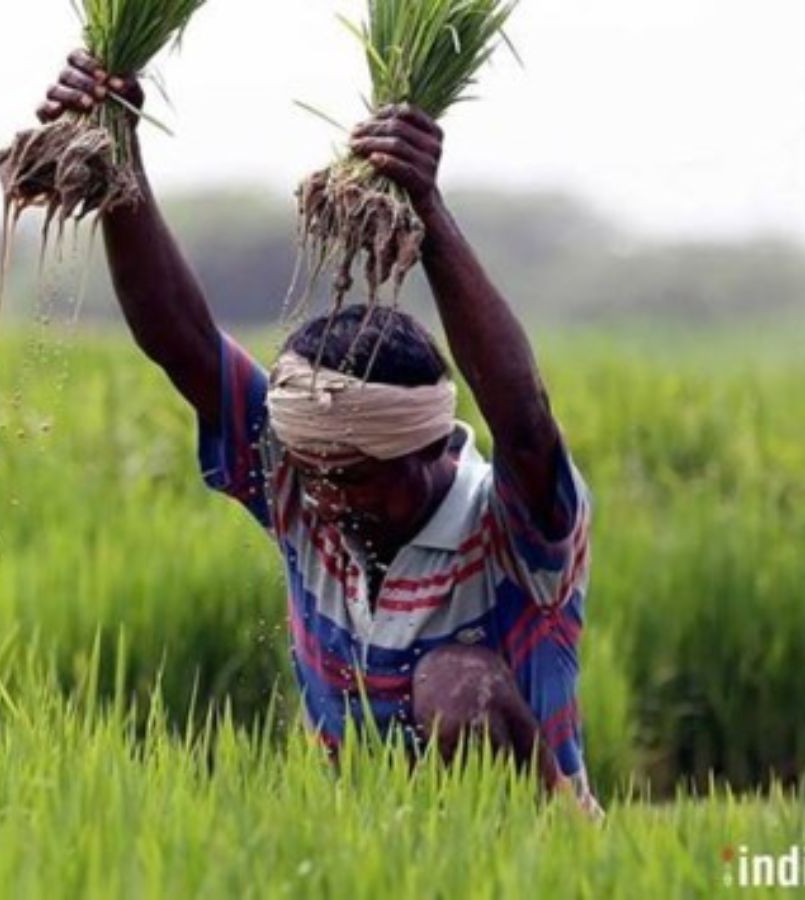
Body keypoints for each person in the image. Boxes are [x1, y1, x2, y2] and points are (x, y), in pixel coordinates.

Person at [37, 51, 601, 817]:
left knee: (451, 683)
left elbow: (525, 421)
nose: (330, 498)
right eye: (314, 471)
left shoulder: (514, 529)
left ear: (433, 449)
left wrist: (427, 211)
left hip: (527, 858)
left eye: (360, 476)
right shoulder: (303, 481)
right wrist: (118, 151)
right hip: (355, 852)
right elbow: (183, 343)